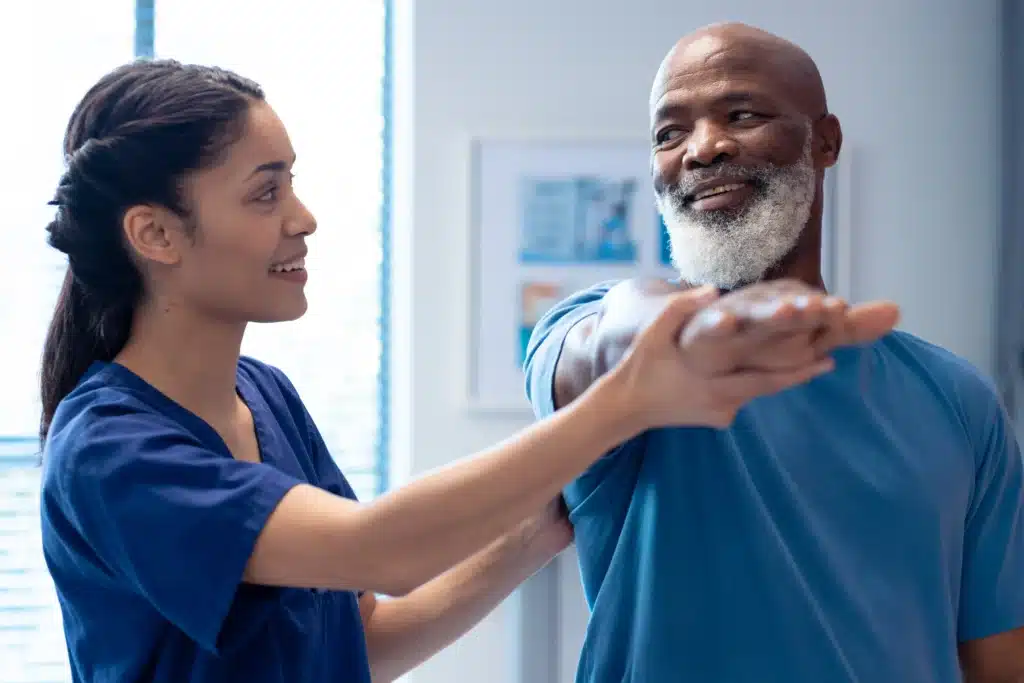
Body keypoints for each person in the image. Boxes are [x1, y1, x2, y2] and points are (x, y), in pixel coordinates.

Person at [35, 59, 875, 683]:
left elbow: (367, 638)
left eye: (292, 184)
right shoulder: (110, 449)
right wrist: (619, 404)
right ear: (156, 234)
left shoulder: (267, 398)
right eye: (264, 194)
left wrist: (552, 516)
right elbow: (378, 552)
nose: (304, 218)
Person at [525, 22, 1024, 683]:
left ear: (826, 141)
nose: (703, 148)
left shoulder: (957, 399)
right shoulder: (602, 346)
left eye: (741, 114)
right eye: (669, 133)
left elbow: (996, 658)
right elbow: (603, 345)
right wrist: (686, 331)